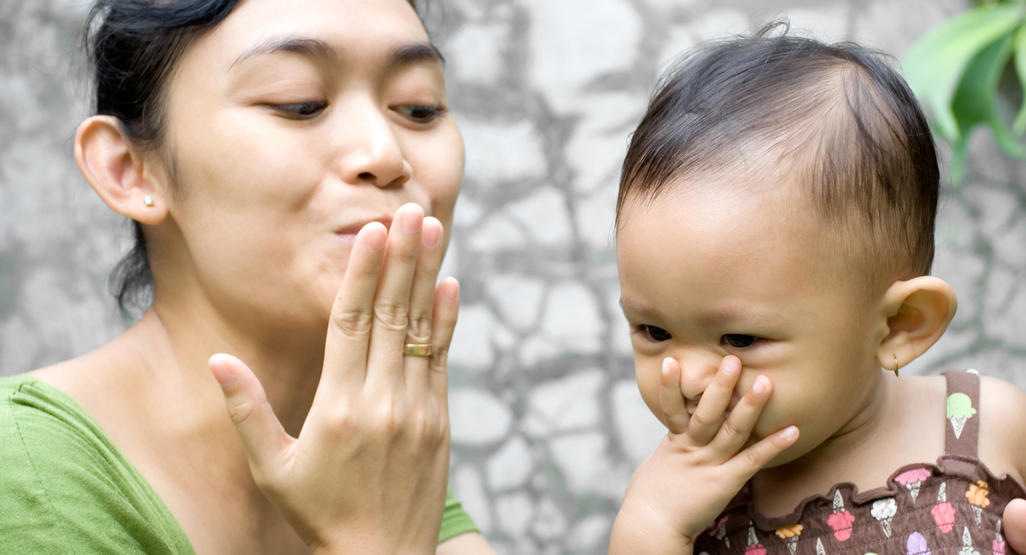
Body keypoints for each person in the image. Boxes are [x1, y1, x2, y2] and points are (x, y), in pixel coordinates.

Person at [0, 0, 496, 552]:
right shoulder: (27, 478)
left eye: (419, 109)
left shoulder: (375, 457)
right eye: (300, 104)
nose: (384, 154)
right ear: (129, 170)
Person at [607, 26, 1026, 554]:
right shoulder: (693, 510)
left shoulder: (987, 424)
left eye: (739, 339)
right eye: (654, 331)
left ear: (899, 326)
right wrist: (652, 524)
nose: (687, 378)